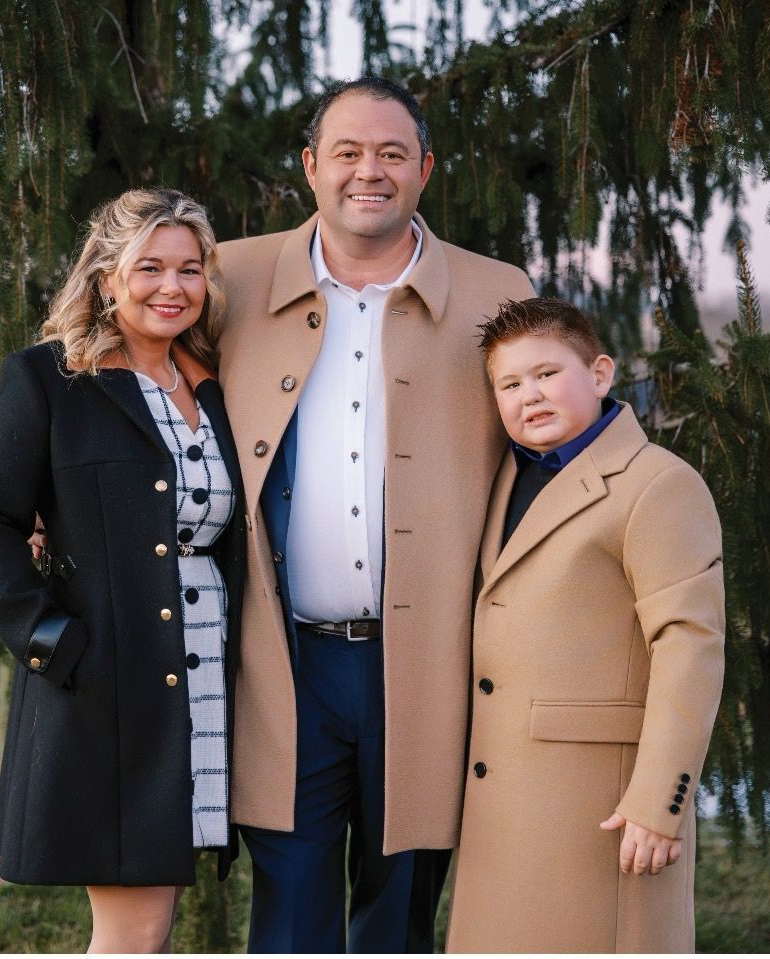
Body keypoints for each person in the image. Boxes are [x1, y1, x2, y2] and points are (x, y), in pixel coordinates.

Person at [214, 78, 536, 952]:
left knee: (399, 912)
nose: (370, 171)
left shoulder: (496, 290)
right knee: (287, 916)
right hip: (284, 663)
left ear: (424, 169)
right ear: (312, 167)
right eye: (349, 152)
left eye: (392, 153)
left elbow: (550, 440)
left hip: (429, 661)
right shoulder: (227, 277)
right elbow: (130, 377)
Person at [0, 188, 246, 953]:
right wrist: (49, 637)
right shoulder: (52, 380)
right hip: (107, 684)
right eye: (148, 266)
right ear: (106, 276)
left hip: (209, 675)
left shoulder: (219, 382)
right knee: (133, 928)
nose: (171, 287)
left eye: (190, 269)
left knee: (148, 925)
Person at [444, 297, 725, 952]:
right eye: (509, 384)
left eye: (547, 373)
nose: (529, 396)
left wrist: (660, 800)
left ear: (600, 374)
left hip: (600, 806)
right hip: (501, 800)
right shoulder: (502, 478)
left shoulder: (657, 485)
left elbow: (690, 645)